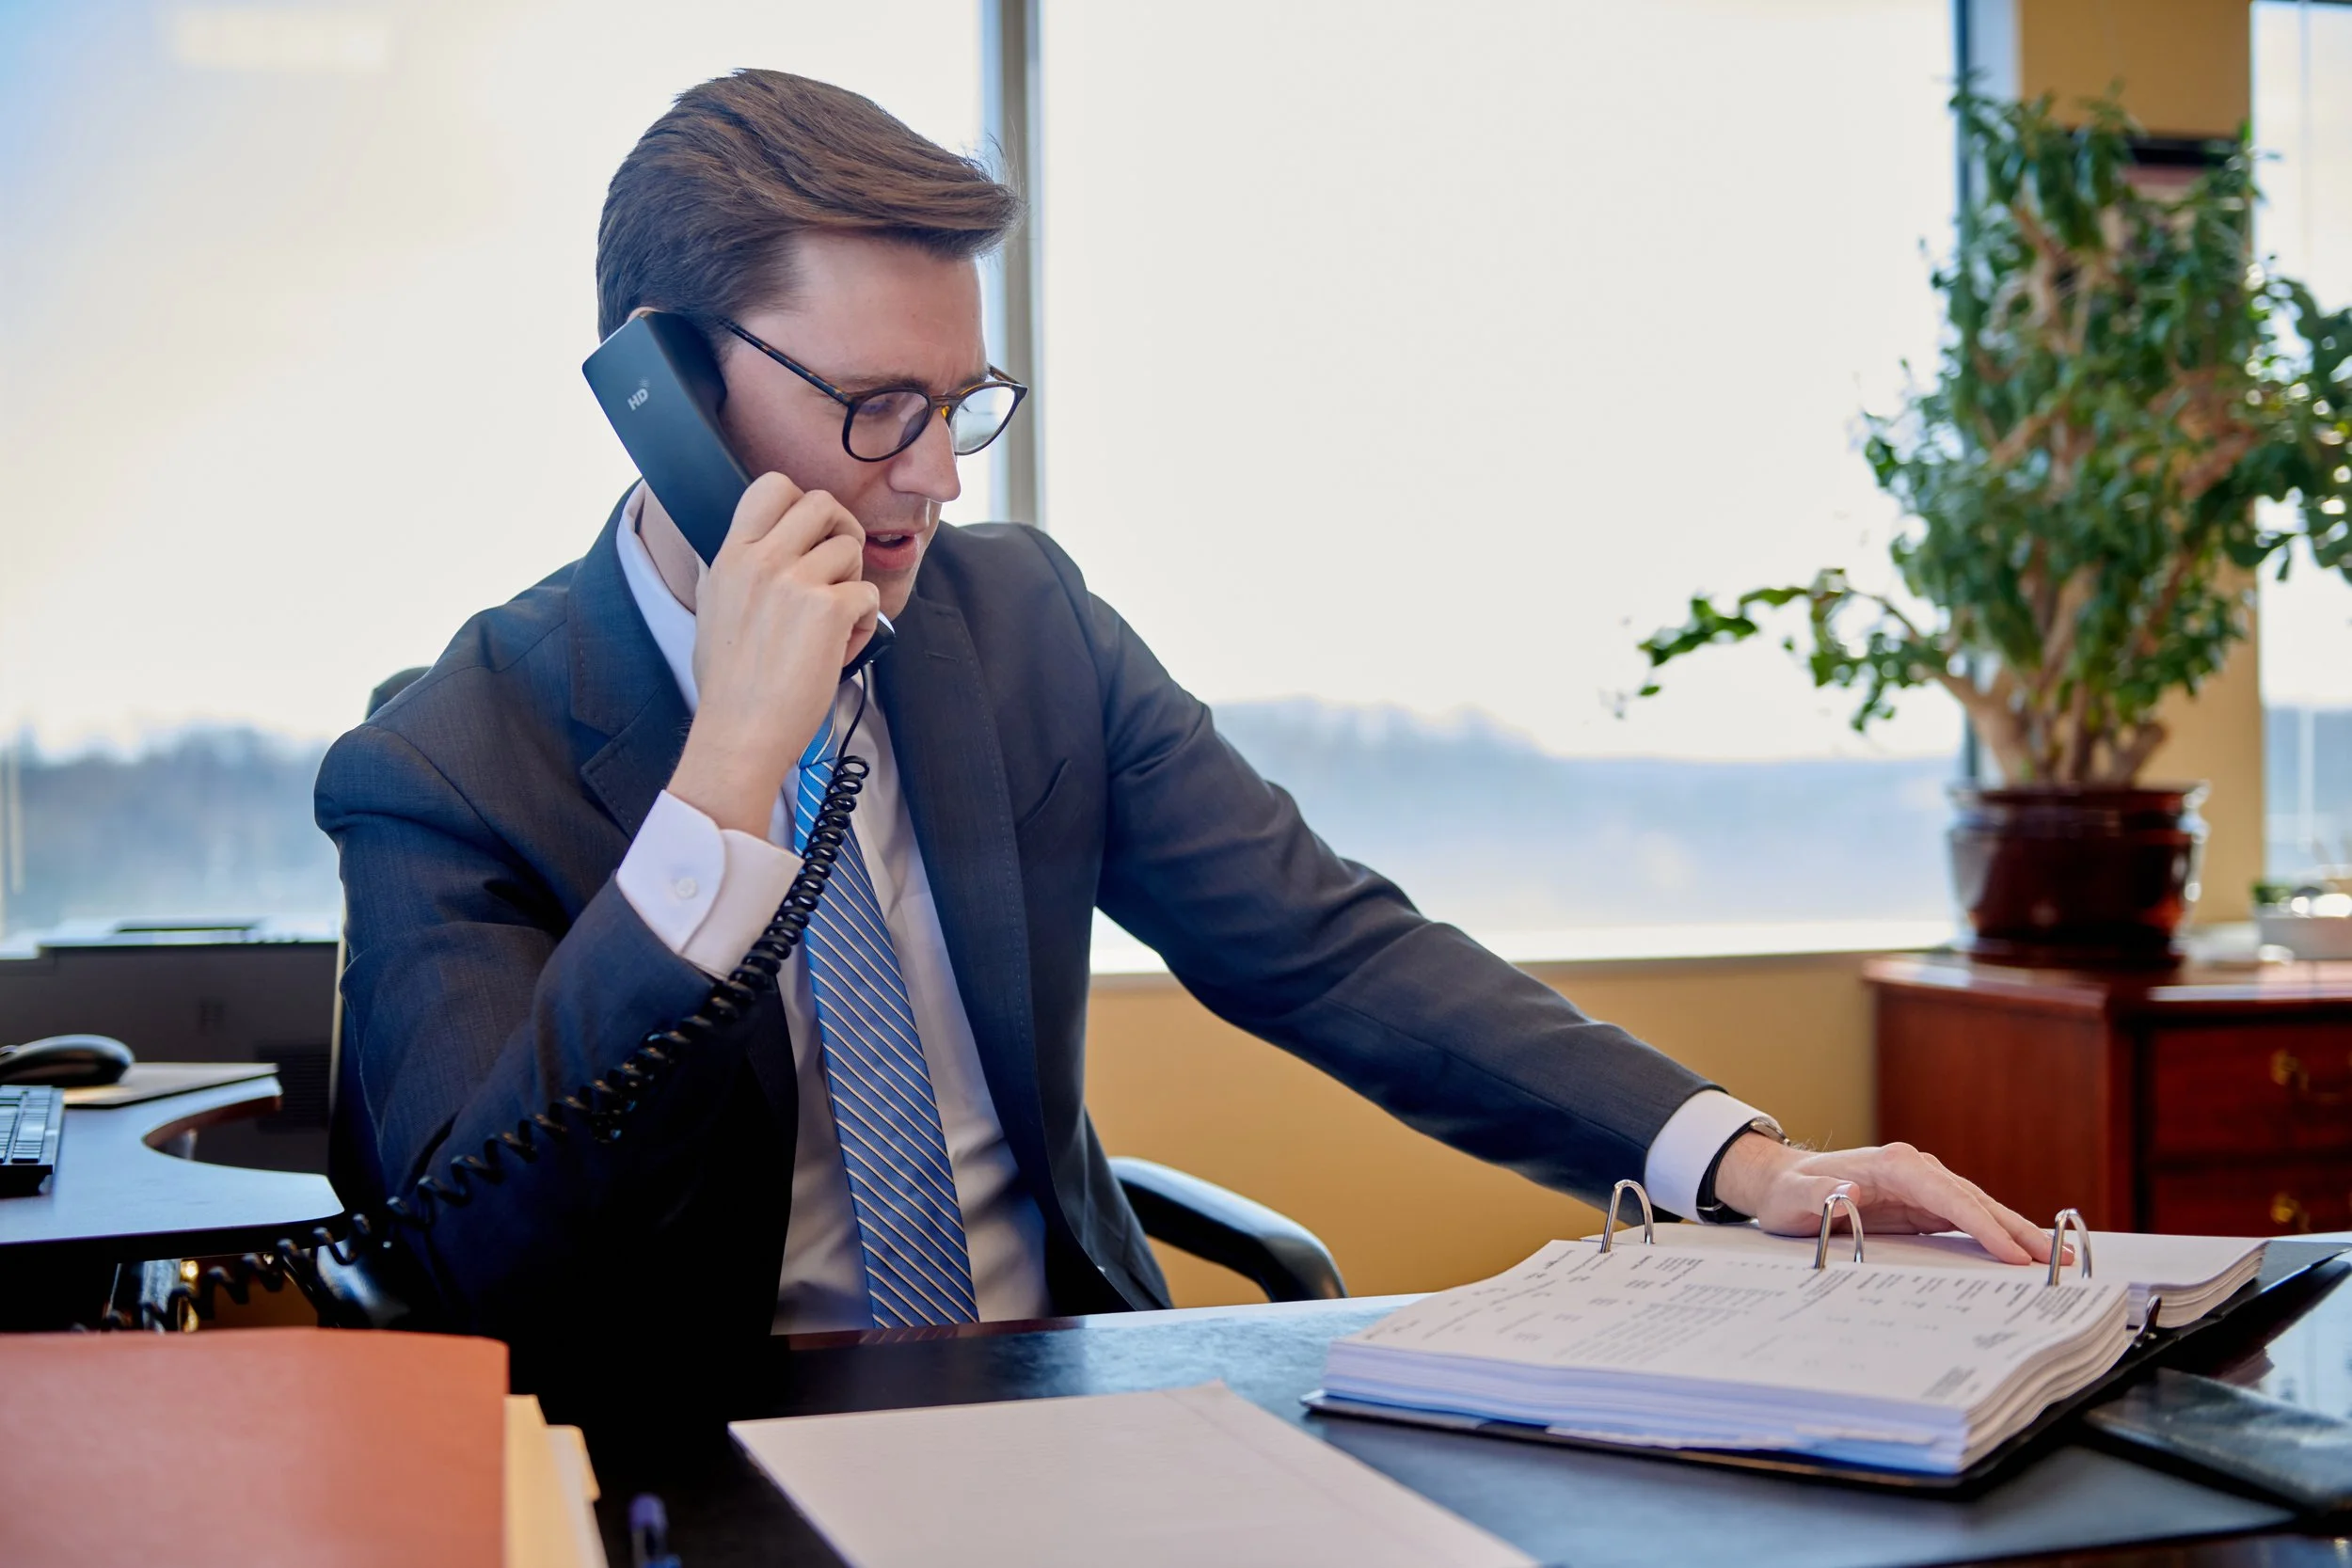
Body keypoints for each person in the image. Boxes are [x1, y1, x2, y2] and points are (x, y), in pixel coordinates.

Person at [315, 70, 2051, 1390]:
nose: (931, 475)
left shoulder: (1018, 628)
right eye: (874, 409)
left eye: (961, 403)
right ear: (664, 394)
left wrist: (1742, 1162)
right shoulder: (444, 768)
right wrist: (719, 793)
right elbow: (491, 1261)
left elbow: (1329, 943)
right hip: (707, 1460)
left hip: (1073, 1406)